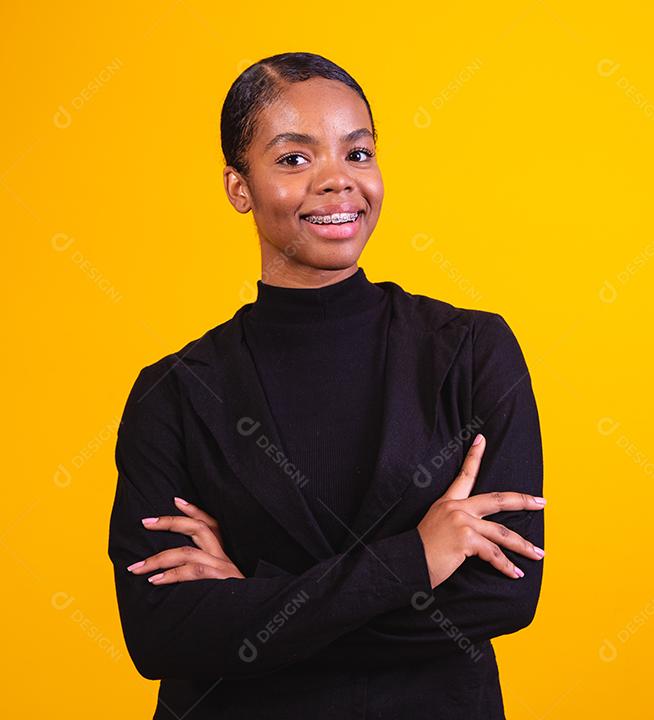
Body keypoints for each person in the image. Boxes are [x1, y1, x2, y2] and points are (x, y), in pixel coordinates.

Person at [107, 51, 545, 719]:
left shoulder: (470, 352)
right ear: (238, 187)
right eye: (294, 159)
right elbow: (161, 635)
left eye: (359, 153)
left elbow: (502, 597)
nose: (338, 182)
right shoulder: (174, 393)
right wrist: (413, 562)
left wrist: (251, 605)